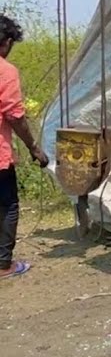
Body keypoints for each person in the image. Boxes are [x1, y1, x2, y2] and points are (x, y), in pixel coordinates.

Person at [0, 14, 49, 280]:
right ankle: (4, 264)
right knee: (7, 206)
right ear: (6, 42)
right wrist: (33, 147)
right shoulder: (5, 71)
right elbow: (14, 115)